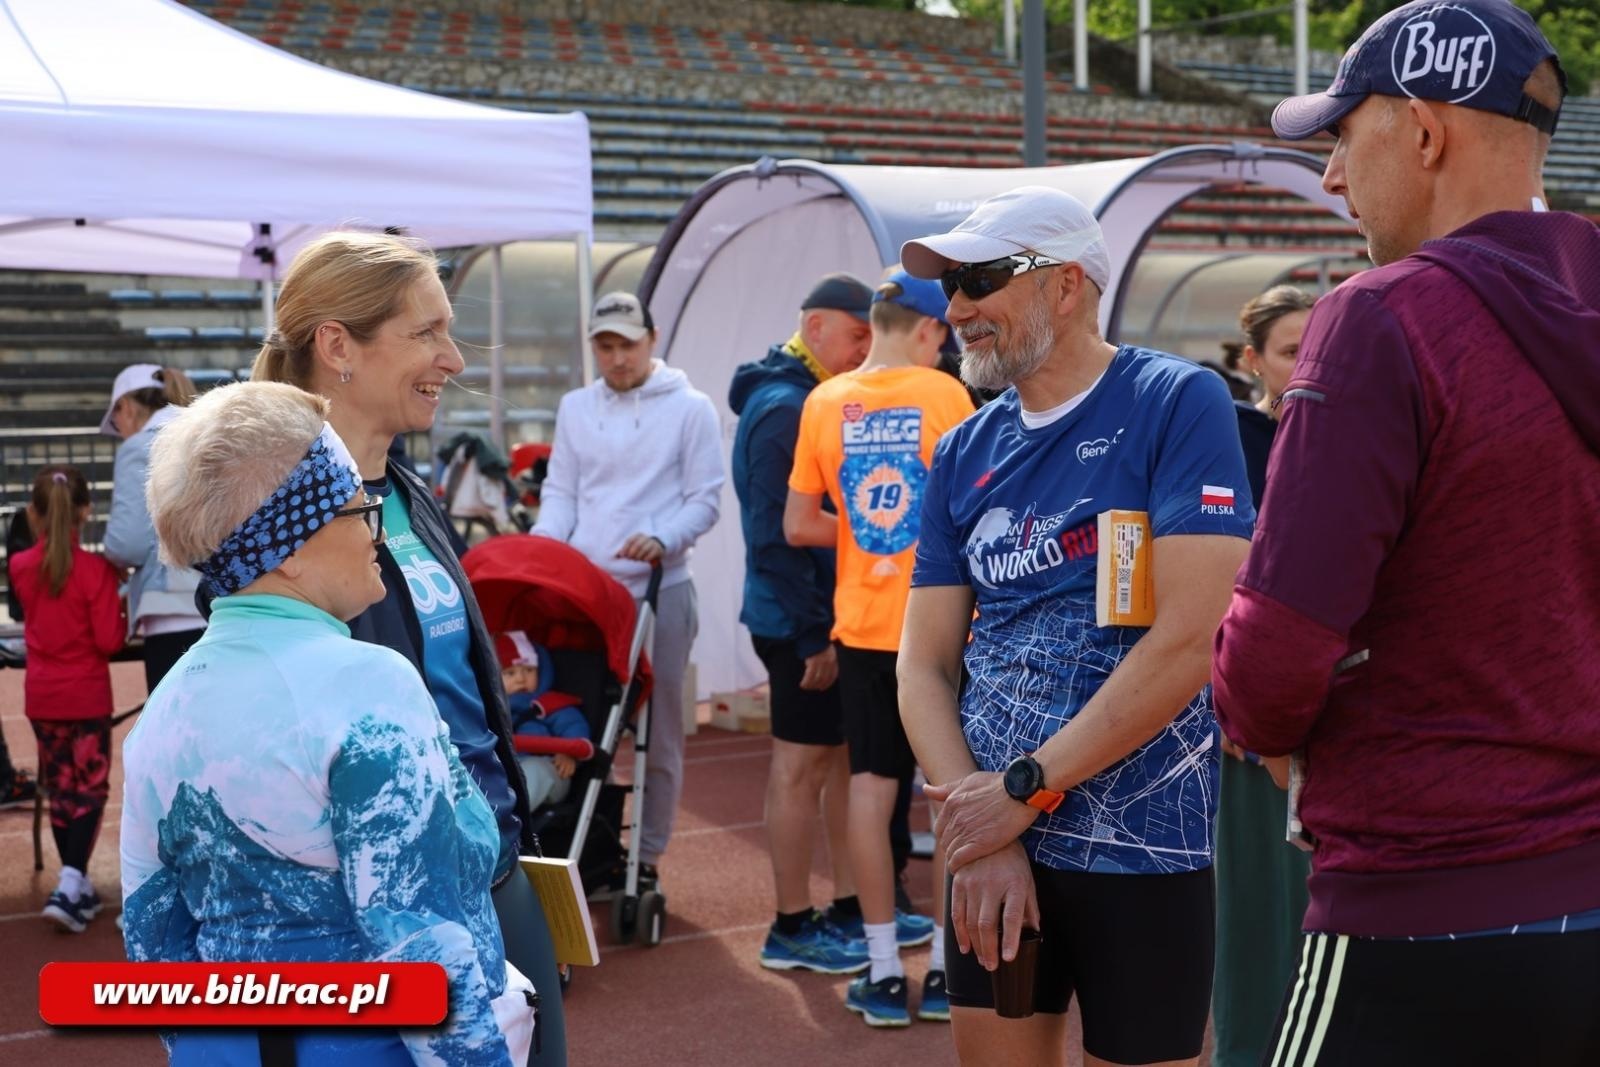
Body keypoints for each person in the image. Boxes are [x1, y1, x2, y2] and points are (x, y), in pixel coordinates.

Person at [1213, 3, 1600, 1064]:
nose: (1331, 176)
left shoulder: (1381, 316)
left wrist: (1256, 696)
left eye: (1343, 135)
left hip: (1421, 890)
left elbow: (1270, 666)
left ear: (1424, 134)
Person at [895, 186, 1253, 1066]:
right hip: (992, 839)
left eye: (981, 277)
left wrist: (1020, 789)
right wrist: (980, 833)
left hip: (1141, 844)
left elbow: (1192, 632)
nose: (958, 308)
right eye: (951, 286)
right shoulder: (963, 449)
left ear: (1066, 286)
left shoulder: (1177, 399)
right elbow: (923, 665)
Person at [123, 381, 533, 1065]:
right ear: (287, 548)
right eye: (356, 507)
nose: (377, 527)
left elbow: (151, 940)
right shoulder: (369, 685)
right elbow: (421, 944)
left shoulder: (162, 713)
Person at [249, 232, 565, 1066]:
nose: (452, 358)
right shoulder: (273, 516)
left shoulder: (409, 493)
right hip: (374, 908)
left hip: (490, 858)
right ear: (337, 345)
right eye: (426, 332)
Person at [786, 269, 973, 1026]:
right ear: (929, 330)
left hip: (863, 626)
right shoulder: (946, 397)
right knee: (957, 788)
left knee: (871, 786)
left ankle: (884, 968)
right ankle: (962, 969)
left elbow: (799, 523)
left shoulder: (823, 400)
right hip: (943, 621)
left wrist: (867, 536)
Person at [531, 291, 724, 887]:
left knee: (659, 730)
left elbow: (705, 500)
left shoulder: (691, 408)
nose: (616, 358)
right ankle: (594, 849)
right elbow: (561, 491)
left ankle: (647, 857)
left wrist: (662, 536)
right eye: (605, 346)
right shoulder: (574, 407)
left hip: (659, 592)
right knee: (586, 725)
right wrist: (542, 549)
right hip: (584, 595)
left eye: (626, 345)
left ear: (652, 340)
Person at [730, 272, 874, 975]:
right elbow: (774, 534)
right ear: (815, 328)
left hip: (826, 616)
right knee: (801, 767)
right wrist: (814, 633)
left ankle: (850, 905)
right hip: (799, 624)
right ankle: (789, 923)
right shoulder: (785, 407)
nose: (865, 350)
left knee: (842, 760)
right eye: (856, 335)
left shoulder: (809, 397)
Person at [1210, 285, 1314, 1067]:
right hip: (1252, 709)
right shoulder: (1232, 442)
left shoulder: (1367, 428)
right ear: (1253, 362)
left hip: (1347, 707)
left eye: (1318, 344)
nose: (1308, 362)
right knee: (1255, 905)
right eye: (1289, 349)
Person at [12, 465, 125, 932]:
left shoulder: (20, 567)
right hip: (86, 695)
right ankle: (71, 881)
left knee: (60, 790)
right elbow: (109, 640)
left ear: (35, 515)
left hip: (43, 696)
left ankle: (74, 886)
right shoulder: (96, 571)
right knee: (90, 788)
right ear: (85, 510)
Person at [100, 363, 205, 691]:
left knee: (175, 734)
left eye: (115, 418)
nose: (118, 427)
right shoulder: (207, 433)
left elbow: (126, 542)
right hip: (223, 602)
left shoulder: (138, 448)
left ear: (126, 407)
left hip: (171, 606)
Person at [498, 630, 594, 809]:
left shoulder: (547, 703)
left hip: (551, 769)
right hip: (506, 771)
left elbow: (574, 725)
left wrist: (568, 753)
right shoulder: (493, 709)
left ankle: (508, 815)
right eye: (510, 673)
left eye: (528, 670)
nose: (521, 679)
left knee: (536, 770)